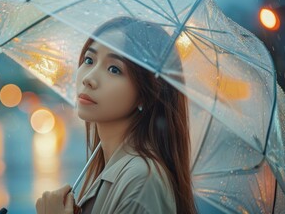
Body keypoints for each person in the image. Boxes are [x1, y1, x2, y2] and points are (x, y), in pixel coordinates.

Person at [35, 17, 197, 214]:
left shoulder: (141, 182)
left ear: (146, 94)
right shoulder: (113, 171)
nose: (89, 79)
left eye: (114, 69)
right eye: (89, 60)